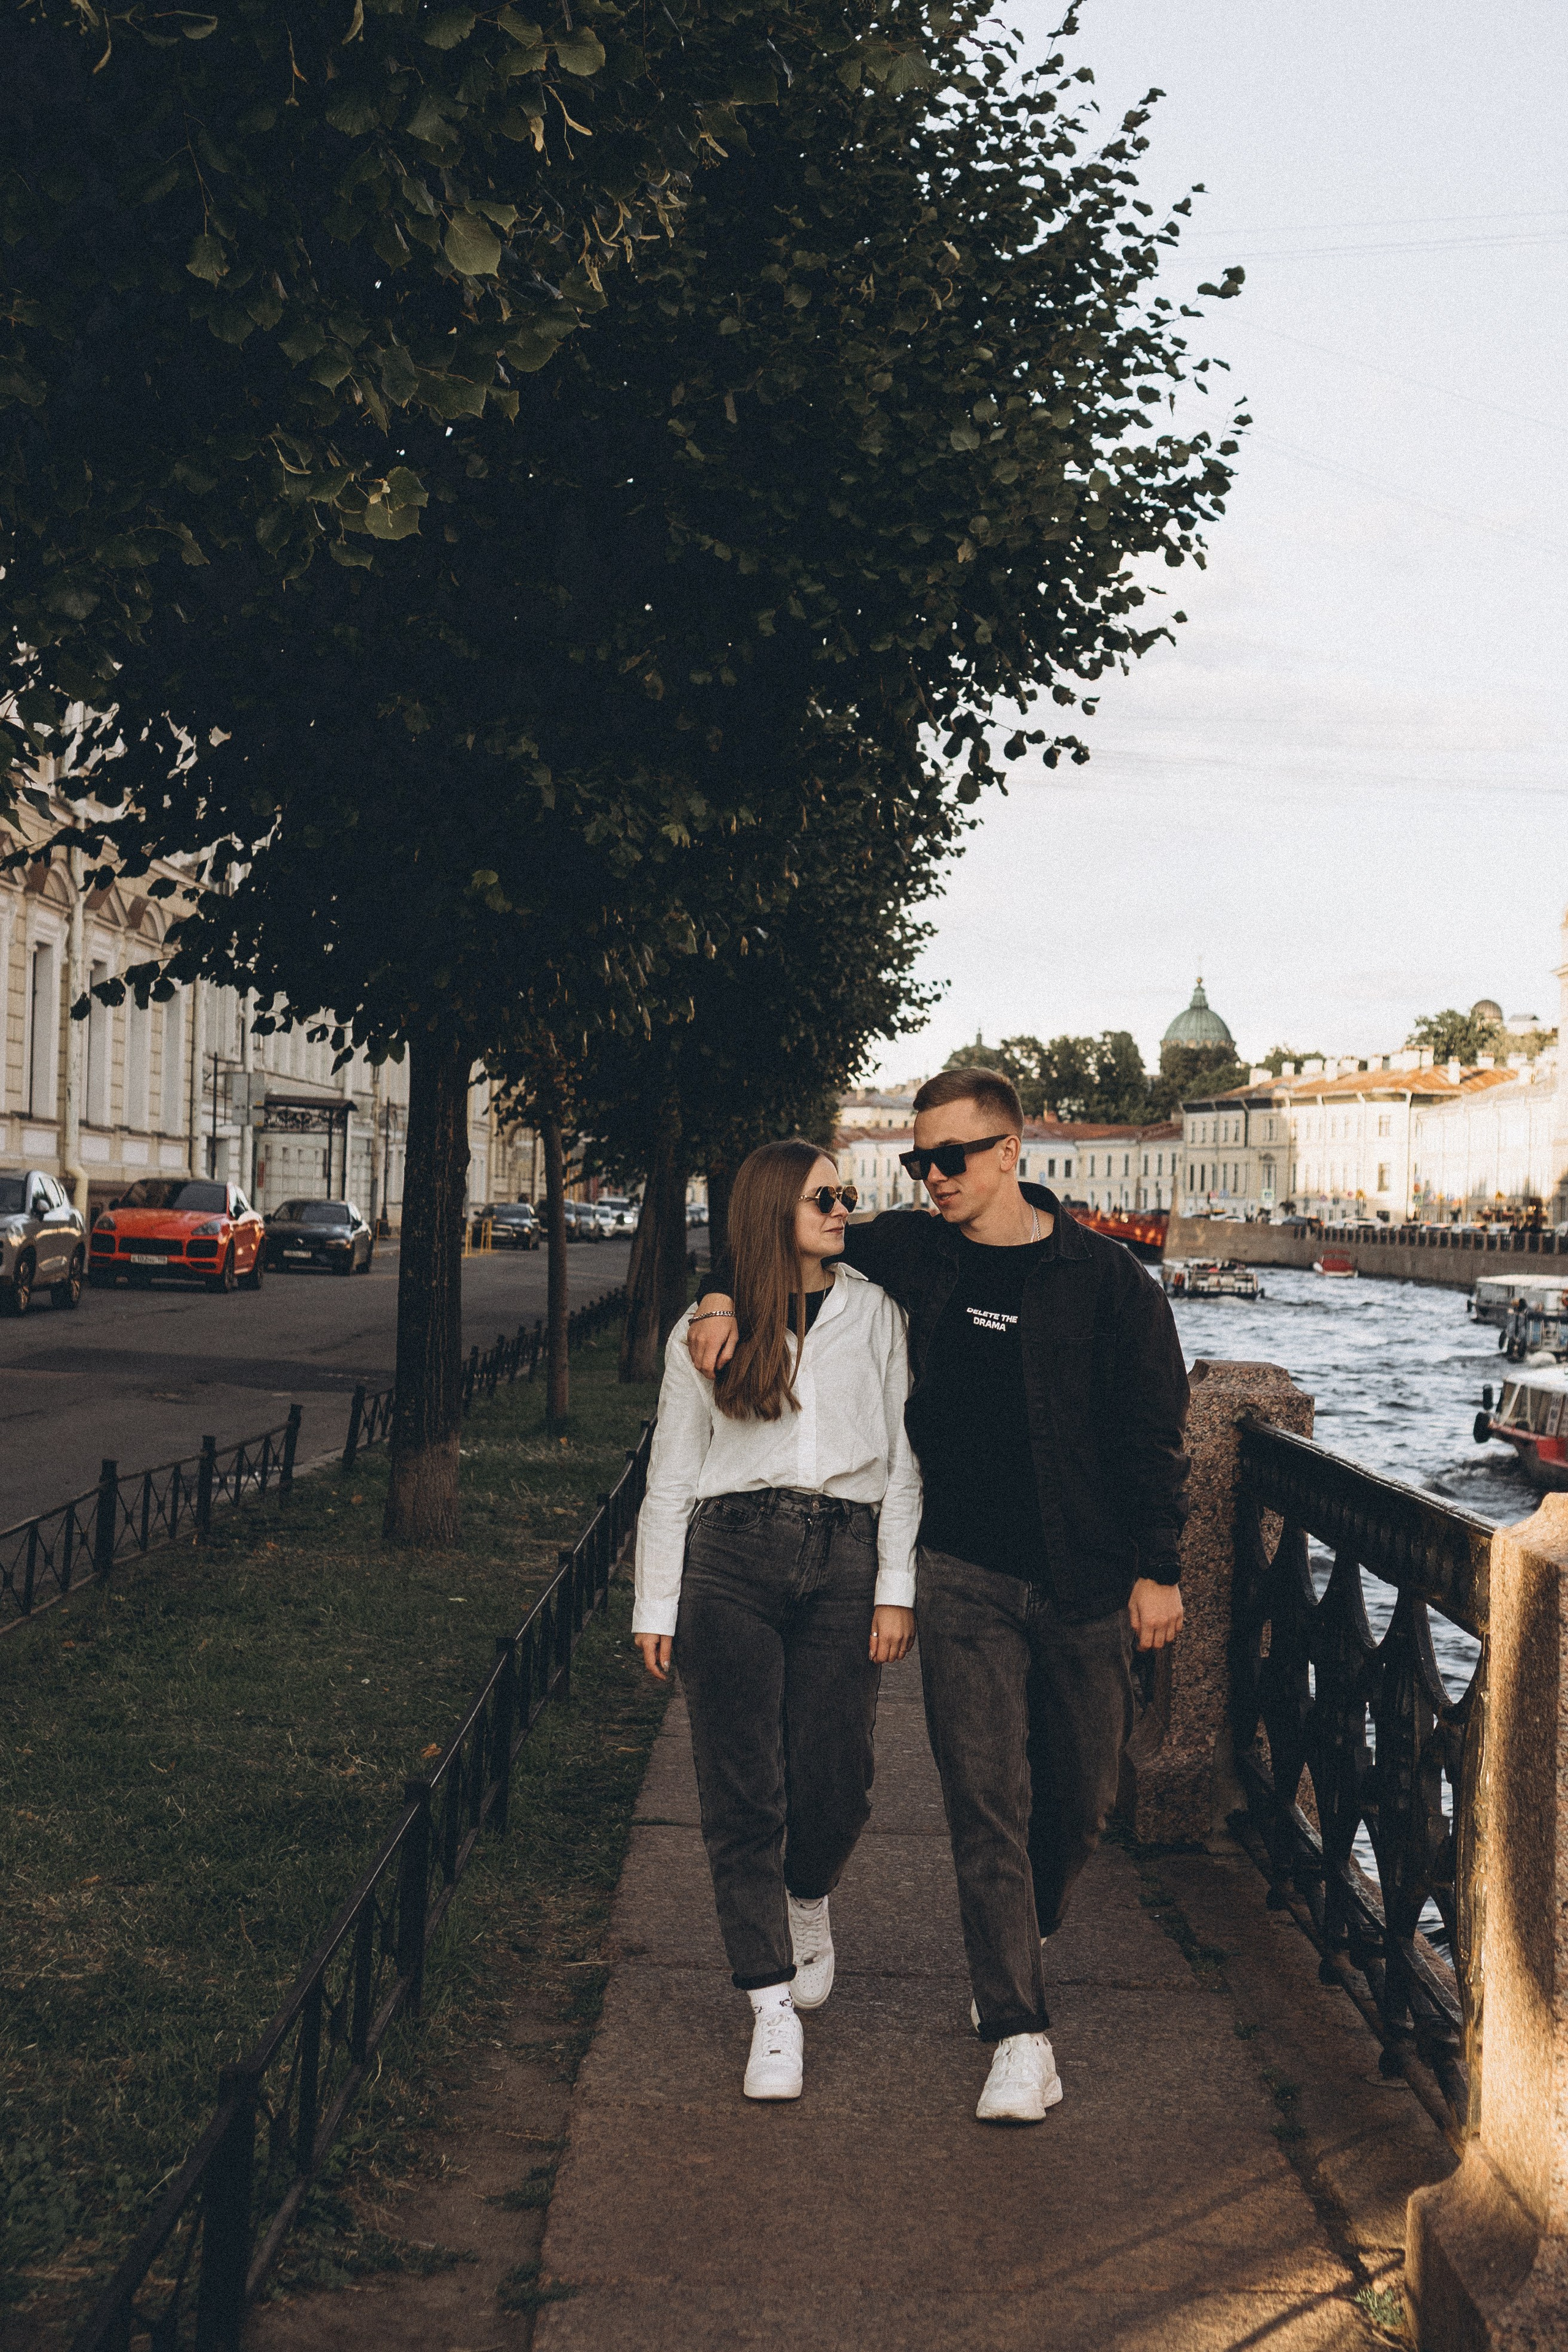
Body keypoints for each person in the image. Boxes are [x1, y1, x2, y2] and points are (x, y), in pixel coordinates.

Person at [688, 1069, 1189, 2125]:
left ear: (1013, 1151)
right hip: (960, 1572)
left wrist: (1160, 1568)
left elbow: (1155, 1439)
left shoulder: (1109, 1285)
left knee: (1082, 1797)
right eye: (919, 1162)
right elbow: (775, 1238)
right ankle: (1019, 2035)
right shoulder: (914, 1250)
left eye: (948, 1159)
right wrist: (721, 1295)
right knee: (983, 1800)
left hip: (1089, 1578)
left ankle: (1023, 1930)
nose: (929, 1178)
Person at [633, 1137, 920, 2104]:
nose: (844, 1209)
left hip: (846, 1555)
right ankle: (768, 2006)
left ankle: (809, 1896)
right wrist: (655, 1599)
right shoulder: (706, 1330)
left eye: (845, 1193)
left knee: (840, 1777)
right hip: (730, 1558)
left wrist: (894, 1587)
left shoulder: (878, 1314)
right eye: (822, 1199)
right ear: (770, 1214)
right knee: (740, 1790)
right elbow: (670, 1472)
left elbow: (907, 1461)